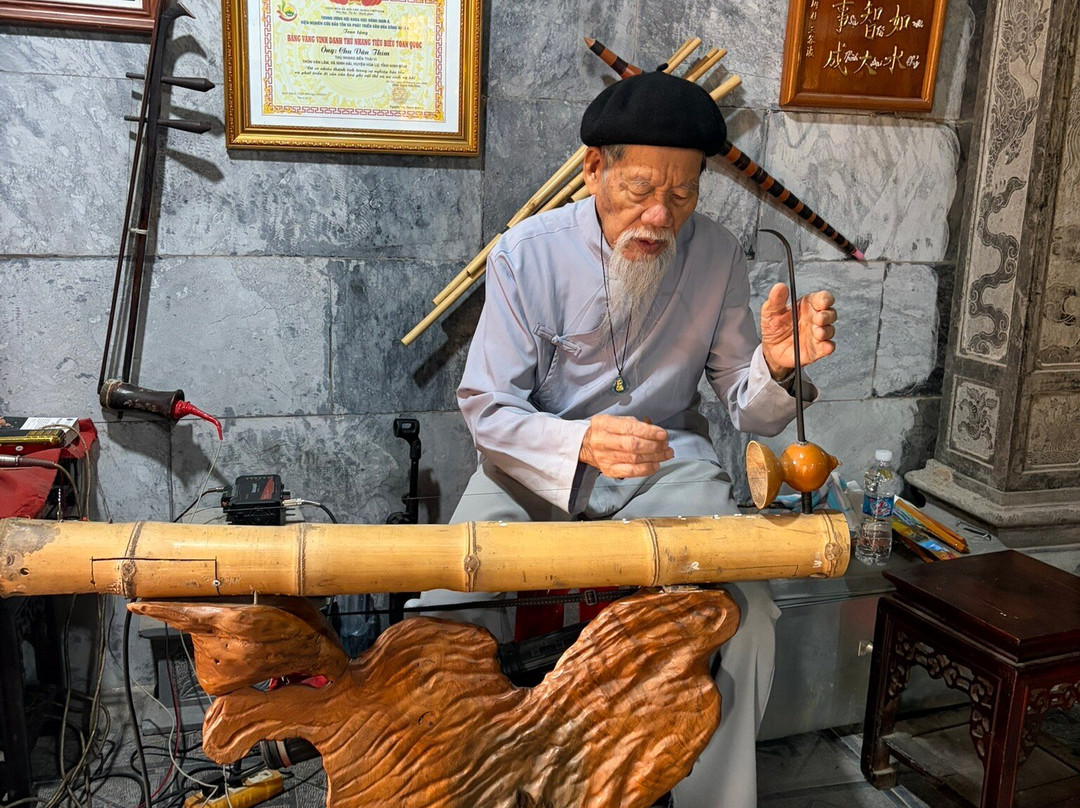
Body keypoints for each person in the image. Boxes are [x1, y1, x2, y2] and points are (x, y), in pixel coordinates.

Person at [417, 70, 838, 807]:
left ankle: (712, 798)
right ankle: (460, 785)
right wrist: (577, 442)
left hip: (667, 469)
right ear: (593, 170)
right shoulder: (527, 252)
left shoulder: (716, 255)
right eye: (640, 189)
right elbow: (487, 406)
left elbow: (748, 409)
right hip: (534, 470)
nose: (659, 215)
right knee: (444, 610)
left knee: (744, 613)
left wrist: (775, 366)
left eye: (683, 194)